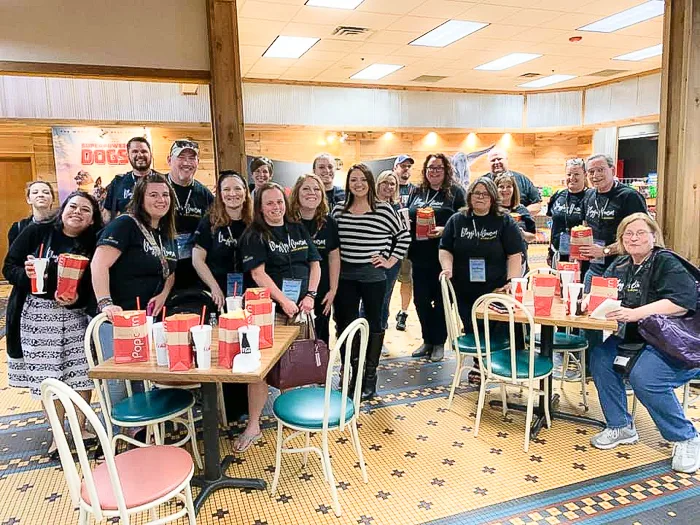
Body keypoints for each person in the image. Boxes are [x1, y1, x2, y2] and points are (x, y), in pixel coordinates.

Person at [588, 213, 699, 473]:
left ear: (653, 236)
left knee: (645, 378)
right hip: (633, 338)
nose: (634, 238)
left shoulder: (665, 262)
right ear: (621, 239)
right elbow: (604, 294)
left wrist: (637, 313)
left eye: (640, 233)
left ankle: (686, 436)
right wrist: (589, 303)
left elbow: (682, 303)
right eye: (628, 233)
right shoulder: (620, 264)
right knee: (600, 358)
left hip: (670, 341)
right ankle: (620, 426)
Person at [3, 191, 103, 457]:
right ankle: (58, 435)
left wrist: (77, 298)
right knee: (49, 377)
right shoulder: (37, 233)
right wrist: (25, 277)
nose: (77, 212)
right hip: (37, 315)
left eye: (85, 210)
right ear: (63, 209)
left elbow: (95, 282)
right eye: (73, 206)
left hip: (75, 315)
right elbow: (9, 267)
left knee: (81, 373)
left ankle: (80, 428)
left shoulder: (93, 243)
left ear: (92, 220)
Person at [237, 182, 321, 452]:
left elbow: (315, 264)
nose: (276, 207)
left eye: (279, 202)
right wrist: (284, 301)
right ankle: (253, 425)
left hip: (301, 310)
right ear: (260, 207)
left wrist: (310, 296)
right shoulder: (254, 235)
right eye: (270, 203)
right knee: (258, 370)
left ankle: (292, 417)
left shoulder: (297, 229)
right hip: (268, 311)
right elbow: (258, 274)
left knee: (294, 365)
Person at [332, 164, 410, 401]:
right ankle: (350, 372)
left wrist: (389, 260)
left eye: (362, 180)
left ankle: (369, 376)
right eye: (353, 180)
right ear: (348, 184)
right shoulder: (338, 211)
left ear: (369, 183)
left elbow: (403, 235)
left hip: (373, 276)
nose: (358, 184)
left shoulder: (384, 210)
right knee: (344, 324)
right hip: (344, 276)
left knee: (374, 323)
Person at [438, 177, 524, 382]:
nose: (480, 197)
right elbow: (445, 248)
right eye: (476, 193)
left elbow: (515, 254)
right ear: (469, 196)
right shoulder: (458, 220)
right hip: (464, 287)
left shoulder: (504, 221)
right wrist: (447, 269)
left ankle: (491, 364)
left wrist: (512, 281)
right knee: (471, 326)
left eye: (485, 194)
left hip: (495, 288)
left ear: (493, 197)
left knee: (494, 327)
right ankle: (479, 363)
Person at [579, 154, 647, 351]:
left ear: (612, 171)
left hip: (622, 269)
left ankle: (623, 364)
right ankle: (590, 363)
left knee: (621, 319)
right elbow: (585, 226)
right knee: (590, 318)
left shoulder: (629, 197)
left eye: (600, 170)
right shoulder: (589, 197)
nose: (595, 175)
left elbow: (639, 236)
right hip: (595, 269)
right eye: (591, 171)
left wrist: (605, 250)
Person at [91, 173, 178, 319]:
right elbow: (99, 264)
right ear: (140, 199)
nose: (161, 200)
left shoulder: (167, 231)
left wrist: (163, 295)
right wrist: (105, 303)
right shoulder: (125, 224)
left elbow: (170, 270)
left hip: (148, 317)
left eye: (165, 194)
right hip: (118, 317)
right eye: (153, 195)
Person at [406, 154, 466, 362]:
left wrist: (444, 229)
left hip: (444, 257)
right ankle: (427, 340)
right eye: (430, 168)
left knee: (441, 301)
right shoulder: (417, 191)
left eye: (439, 168)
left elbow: (464, 220)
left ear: (446, 170)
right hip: (419, 256)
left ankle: (439, 342)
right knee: (420, 300)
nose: (434, 171)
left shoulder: (456, 193)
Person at [6, 181, 55, 364]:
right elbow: (11, 265)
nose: (40, 195)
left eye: (45, 192)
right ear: (28, 199)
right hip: (26, 296)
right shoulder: (19, 228)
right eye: (35, 192)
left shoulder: (60, 227)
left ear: (52, 198)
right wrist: (26, 276)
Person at [288, 173, 340, 345]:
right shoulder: (287, 221)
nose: (312, 192)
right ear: (297, 192)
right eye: (306, 188)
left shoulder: (329, 223)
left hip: (322, 291)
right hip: (292, 292)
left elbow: (334, 258)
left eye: (317, 189)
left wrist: (333, 290)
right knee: (293, 340)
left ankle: (320, 371)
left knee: (320, 337)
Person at [192, 170, 253, 311]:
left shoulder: (254, 222)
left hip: (248, 293)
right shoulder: (210, 221)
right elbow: (197, 259)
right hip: (217, 292)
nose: (232, 193)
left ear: (245, 192)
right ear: (220, 194)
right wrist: (214, 287)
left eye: (237, 188)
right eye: (226, 189)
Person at [165, 139, 214, 291]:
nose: (186, 163)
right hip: (162, 268)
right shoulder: (156, 188)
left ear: (198, 162)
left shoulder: (204, 194)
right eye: (181, 157)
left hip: (194, 269)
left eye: (191, 158)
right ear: (169, 160)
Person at [546, 158, 593, 267]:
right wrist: (550, 251)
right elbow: (554, 225)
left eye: (576, 174)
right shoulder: (558, 195)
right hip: (558, 252)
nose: (572, 178)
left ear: (585, 175)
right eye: (569, 174)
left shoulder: (591, 197)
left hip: (581, 257)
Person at [102, 137, 160, 222]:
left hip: (155, 233)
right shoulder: (118, 182)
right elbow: (107, 214)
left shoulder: (162, 180)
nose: (140, 155)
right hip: (124, 233)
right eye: (135, 151)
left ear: (151, 154)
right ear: (128, 155)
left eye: (144, 151)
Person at [375, 170, 403, 334]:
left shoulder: (397, 207)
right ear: (378, 184)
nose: (389, 187)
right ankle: (366, 334)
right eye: (385, 182)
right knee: (371, 299)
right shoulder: (370, 204)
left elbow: (402, 235)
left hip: (393, 259)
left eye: (392, 184)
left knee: (385, 298)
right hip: (374, 258)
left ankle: (380, 332)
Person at [496, 173, 536, 274]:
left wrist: (522, 234)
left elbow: (532, 236)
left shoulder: (522, 210)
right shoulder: (491, 211)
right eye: (501, 187)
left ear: (514, 189)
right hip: (496, 262)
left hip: (520, 262)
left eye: (509, 186)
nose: (505, 190)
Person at [394, 154, 415, 331]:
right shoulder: (388, 188)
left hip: (408, 243)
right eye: (403, 166)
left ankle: (403, 313)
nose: (405, 169)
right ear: (395, 168)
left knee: (406, 280)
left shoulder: (416, 191)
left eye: (408, 166)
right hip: (389, 244)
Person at [484, 148, 542, 214]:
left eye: (499, 159)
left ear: (506, 160)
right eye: (493, 160)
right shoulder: (482, 182)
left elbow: (537, 205)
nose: (496, 162)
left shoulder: (523, 180)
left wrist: (519, 214)